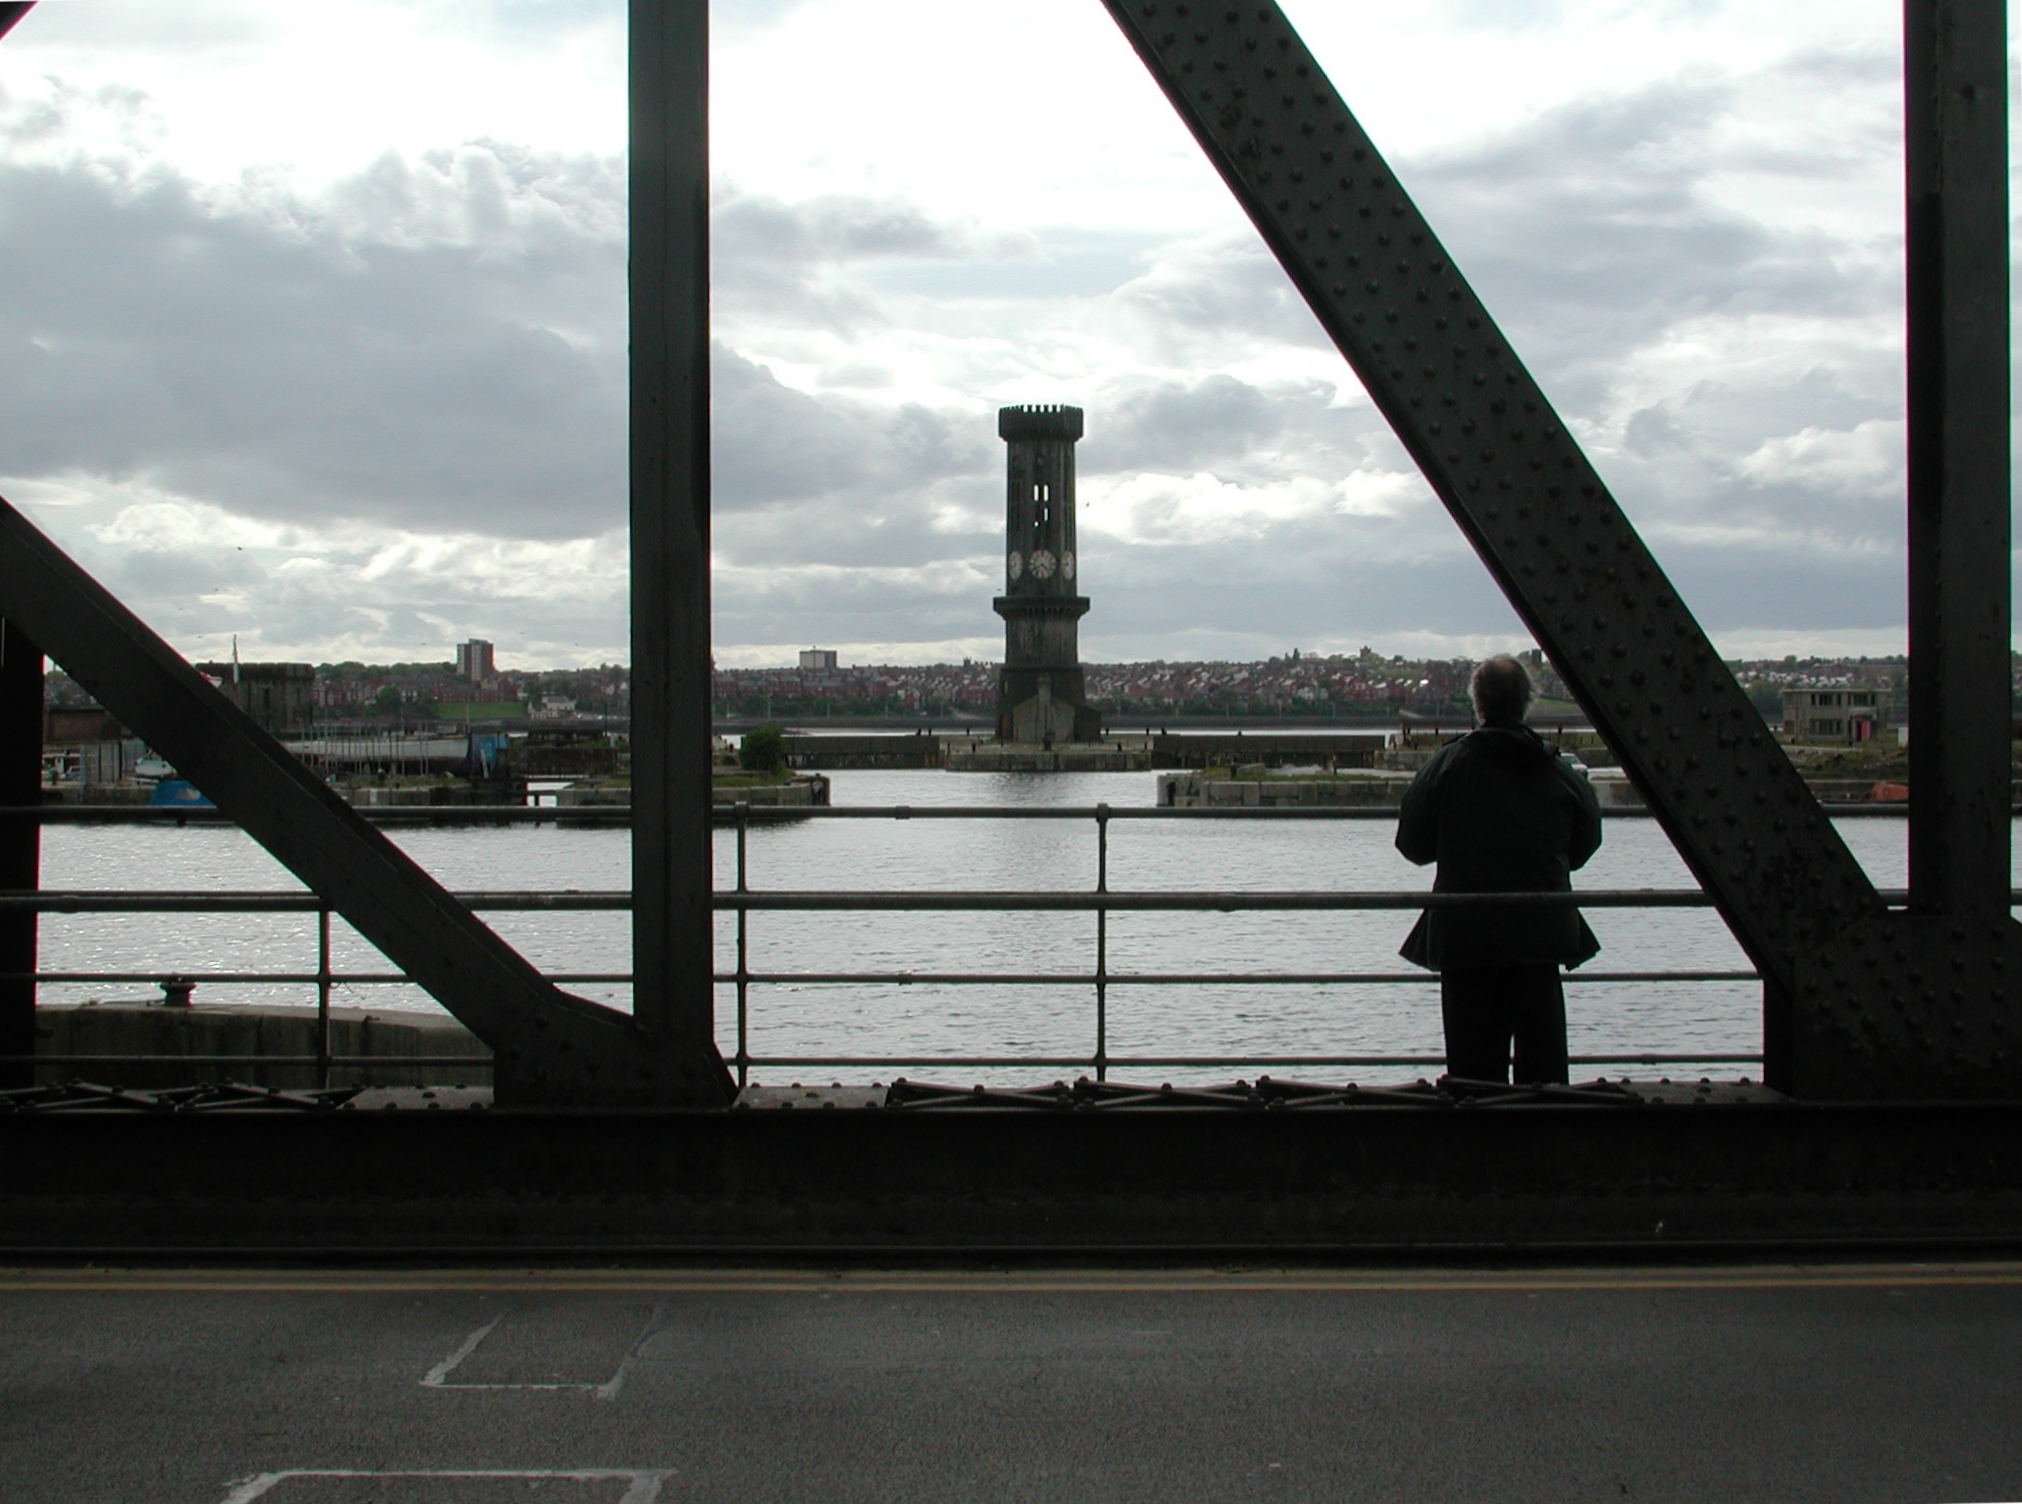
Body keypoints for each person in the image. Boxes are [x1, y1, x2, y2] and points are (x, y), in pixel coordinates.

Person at [1394, 655, 1602, 1084]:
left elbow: (1412, 845)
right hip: (1542, 933)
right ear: (1527, 700)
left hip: (1466, 935)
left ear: (1478, 701)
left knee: (1473, 1075)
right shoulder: (1558, 771)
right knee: (1544, 1077)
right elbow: (1587, 840)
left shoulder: (1447, 766)